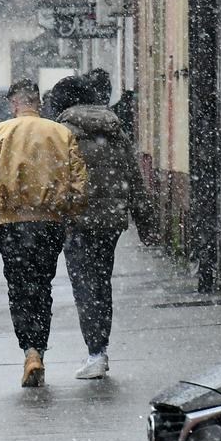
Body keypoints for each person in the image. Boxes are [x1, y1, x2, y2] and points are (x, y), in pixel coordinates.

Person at [0, 78, 88, 387]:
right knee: (42, 286)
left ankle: (30, 351)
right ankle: (40, 351)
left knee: (19, 287)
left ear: (14, 103)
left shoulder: (0, 132)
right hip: (49, 223)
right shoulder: (61, 133)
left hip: (12, 224)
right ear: (38, 102)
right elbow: (79, 185)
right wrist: (66, 212)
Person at [55, 75, 155, 379]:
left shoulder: (63, 132)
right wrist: (144, 219)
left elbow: (56, 179)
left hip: (78, 220)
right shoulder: (114, 128)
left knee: (84, 285)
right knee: (101, 282)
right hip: (110, 221)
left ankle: (96, 352)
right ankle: (100, 349)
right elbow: (133, 175)